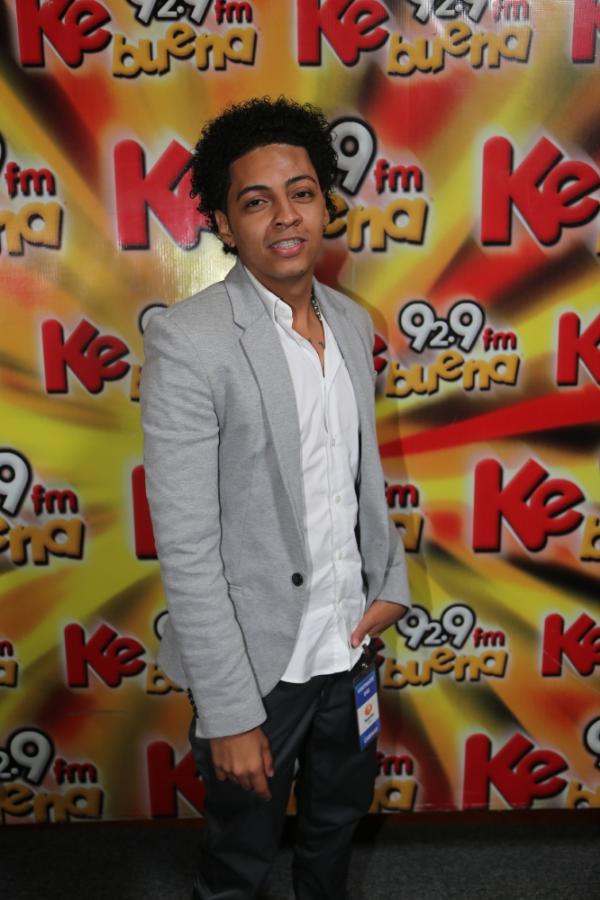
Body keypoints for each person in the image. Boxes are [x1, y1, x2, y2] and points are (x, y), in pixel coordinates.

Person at [140, 96, 411, 900]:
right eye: (256, 201)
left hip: (347, 646)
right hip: (259, 669)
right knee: (241, 859)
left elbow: (358, 478)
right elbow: (188, 547)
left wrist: (388, 584)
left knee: (335, 826)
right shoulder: (190, 342)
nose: (285, 216)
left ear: (326, 203)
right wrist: (228, 713)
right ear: (225, 224)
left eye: (301, 192)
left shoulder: (354, 324)